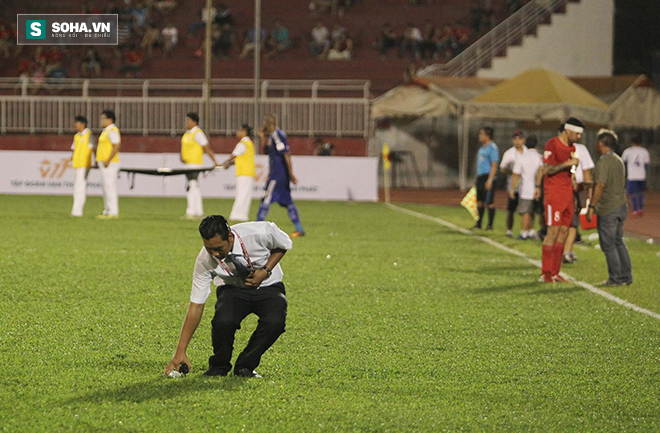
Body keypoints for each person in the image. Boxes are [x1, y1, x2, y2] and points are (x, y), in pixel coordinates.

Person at [164, 215, 292, 378]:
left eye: (218, 248)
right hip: (232, 289)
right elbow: (196, 305)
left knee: (275, 322)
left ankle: (245, 366)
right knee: (222, 322)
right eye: (209, 248)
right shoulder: (204, 261)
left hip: (268, 286)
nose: (215, 253)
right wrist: (180, 351)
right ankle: (218, 367)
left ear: (230, 237)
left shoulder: (259, 232)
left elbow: (283, 245)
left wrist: (265, 271)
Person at [534, 118, 582, 282]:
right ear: (567, 131)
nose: (579, 137)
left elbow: (572, 168)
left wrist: (573, 175)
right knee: (552, 232)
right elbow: (546, 169)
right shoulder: (552, 144)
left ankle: (555, 272)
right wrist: (567, 163)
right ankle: (545, 273)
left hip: (567, 193)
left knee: (564, 231)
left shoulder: (573, 147)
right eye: (577, 133)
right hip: (554, 193)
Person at [586, 130, 632, 286]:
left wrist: (591, 206)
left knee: (608, 244)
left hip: (608, 208)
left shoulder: (603, 162)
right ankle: (626, 276)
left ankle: (615, 278)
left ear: (601, 143)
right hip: (621, 205)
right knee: (619, 241)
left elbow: (600, 185)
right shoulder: (618, 160)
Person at [256, 114, 306, 237]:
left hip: (277, 175)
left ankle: (256, 227)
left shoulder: (277, 135)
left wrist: (291, 173)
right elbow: (267, 151)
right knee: (288, 202)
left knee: (266, 199)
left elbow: (286, 154)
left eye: (265, 125)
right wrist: (262, 138)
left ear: (270, 124)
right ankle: (299, 229)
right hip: (280, 174)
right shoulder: (273, 136)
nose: (264, 127)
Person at [181, 112, 219, 219]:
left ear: (194, 121)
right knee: (194, 186)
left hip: (194, 163)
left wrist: (214, 161)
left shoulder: (198, 133)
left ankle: (191, 211)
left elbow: (206, 147)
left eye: (188, 120)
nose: (186, 122)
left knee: (191, 186)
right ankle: (198, 211)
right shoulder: (187, 133)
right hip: (188, 163)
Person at [562, 140, 595, 264]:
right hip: (575, 189)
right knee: (573, 222)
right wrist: (589, 191)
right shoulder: (581, 149)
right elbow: (586, 172)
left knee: (563, 220)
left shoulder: (557, 147)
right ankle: (567, 251)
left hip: (561, 188)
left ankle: (562, 250)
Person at [221, 124, 256, 222]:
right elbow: (240, 158)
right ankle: (242, 215)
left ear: (244, 132)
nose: (237, 133)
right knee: (246, 195)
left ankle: (236, 215)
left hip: (243, 173)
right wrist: (229, 164)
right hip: (249, 172)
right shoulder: (250, 143)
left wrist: (223, 163)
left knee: (241, 194)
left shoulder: (242, 144)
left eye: (239, 130)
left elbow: (233, 156)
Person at [510, 135, 542, 240]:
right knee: (533, 211)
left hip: (525, 189)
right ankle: (531, 231)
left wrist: (512, 188)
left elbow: (516, 174)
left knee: (525, 212)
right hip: (537, 189)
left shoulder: (522, 157)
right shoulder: (539, 157)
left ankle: (523, 232)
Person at [500, 130, 526, 237]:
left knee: (525, 210)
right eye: (515, 139)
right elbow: (502, 168)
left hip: (525, 185)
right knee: (511, 209)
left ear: (523, 140)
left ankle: (525, 230)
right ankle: (509, 230)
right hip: (513, 185)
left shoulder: (527, 151)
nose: (517, 141)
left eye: (519, 138)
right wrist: (513, 173)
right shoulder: (509, 153)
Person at [473, 126, 499, 230]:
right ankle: (479, 223)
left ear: (487, 136)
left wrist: (490, 179)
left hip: (487, 177)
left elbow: (494, 165)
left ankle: (490, 225)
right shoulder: (483, 147)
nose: (480, 136)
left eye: (481, 134)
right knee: (479, 201)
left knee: (489, 201)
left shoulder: (492, 148)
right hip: (480, 176)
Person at [96, 110, 121, 219]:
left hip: (109, 163)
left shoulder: (112, 130)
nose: (101, 121)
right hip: (104, 162)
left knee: (110, 187)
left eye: (103, 118)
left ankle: (113, 212)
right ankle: (107, 210)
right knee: (106, 187)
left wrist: (108, 160)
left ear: (109, 120)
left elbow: (116, 146)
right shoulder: (106, 131)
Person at [69, 115, 94, 217]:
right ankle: (76, 210)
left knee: (80, 187)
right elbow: (74, 149)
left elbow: (92, 149)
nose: (75, 125)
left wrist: (92, 162)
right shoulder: (76, 136)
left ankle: (77, 211)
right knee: (76, 188)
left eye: (77, 123)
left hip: (84, 164)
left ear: (83, 124)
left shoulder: (88, 135)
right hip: (77, 164)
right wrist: (72, 158)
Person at [621, 134, 650, 217]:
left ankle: (635, 209)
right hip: (642, 176)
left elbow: (623, 162)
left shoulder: (628, 151)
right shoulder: (644, 151)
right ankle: (641, 208)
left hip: (632, 176)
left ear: (632, 142)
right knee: (641, 193)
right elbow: (646, 164)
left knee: (633, 193)